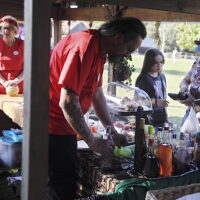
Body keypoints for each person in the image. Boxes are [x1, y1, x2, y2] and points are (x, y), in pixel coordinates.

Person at [48, 17, 146, 200]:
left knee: (66, 181)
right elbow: (68, 102)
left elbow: (97, 93)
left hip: (65, 126)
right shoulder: (83, 48)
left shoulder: (99, 50)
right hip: (52, 125)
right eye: (129, 49)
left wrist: (111, 129)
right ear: (117, 37)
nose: (128, 55)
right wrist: (92, 141)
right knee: (61, 186)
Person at [135, 48, 169, 127]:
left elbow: (163, 100)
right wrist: (155, 101)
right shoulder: (143, 78)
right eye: (156, 63)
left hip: (162, 120)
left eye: (161, 62)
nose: (159, 65)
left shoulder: (162, 77)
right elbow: (138, 101)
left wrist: (166, 120)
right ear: (149, 63)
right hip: (147, 121)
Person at [0, 15, 24, 94]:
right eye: (4, 28)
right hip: (1, 85)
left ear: (14, 30)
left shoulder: (23, 44)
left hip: (19, 86)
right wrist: (4, 82)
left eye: (9, 28)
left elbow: (29, 68)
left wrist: (16, 81)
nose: (6, 31)